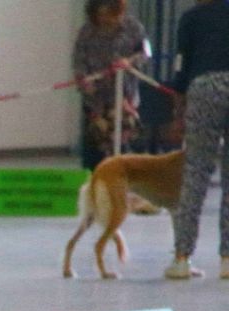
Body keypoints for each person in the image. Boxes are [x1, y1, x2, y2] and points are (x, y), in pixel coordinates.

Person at [164, 0, 229, 280]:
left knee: (196, 174)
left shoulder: (189, 18)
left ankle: (182, 258)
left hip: (203, 89)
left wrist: (178, 117)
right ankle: (227, 260)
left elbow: (181, 71)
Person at [73, 0, 148, 170]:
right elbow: (78, 61)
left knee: (123, 148)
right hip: (95, 101)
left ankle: (122, 189)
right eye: (102, 15)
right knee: (94, 150)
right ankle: (92, 186)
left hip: (125, 98)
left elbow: (146, 53)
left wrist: (130, 61)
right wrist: (83, 80)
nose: (108, 20)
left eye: (113, 15)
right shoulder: (86, 31)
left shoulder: (133, 27)